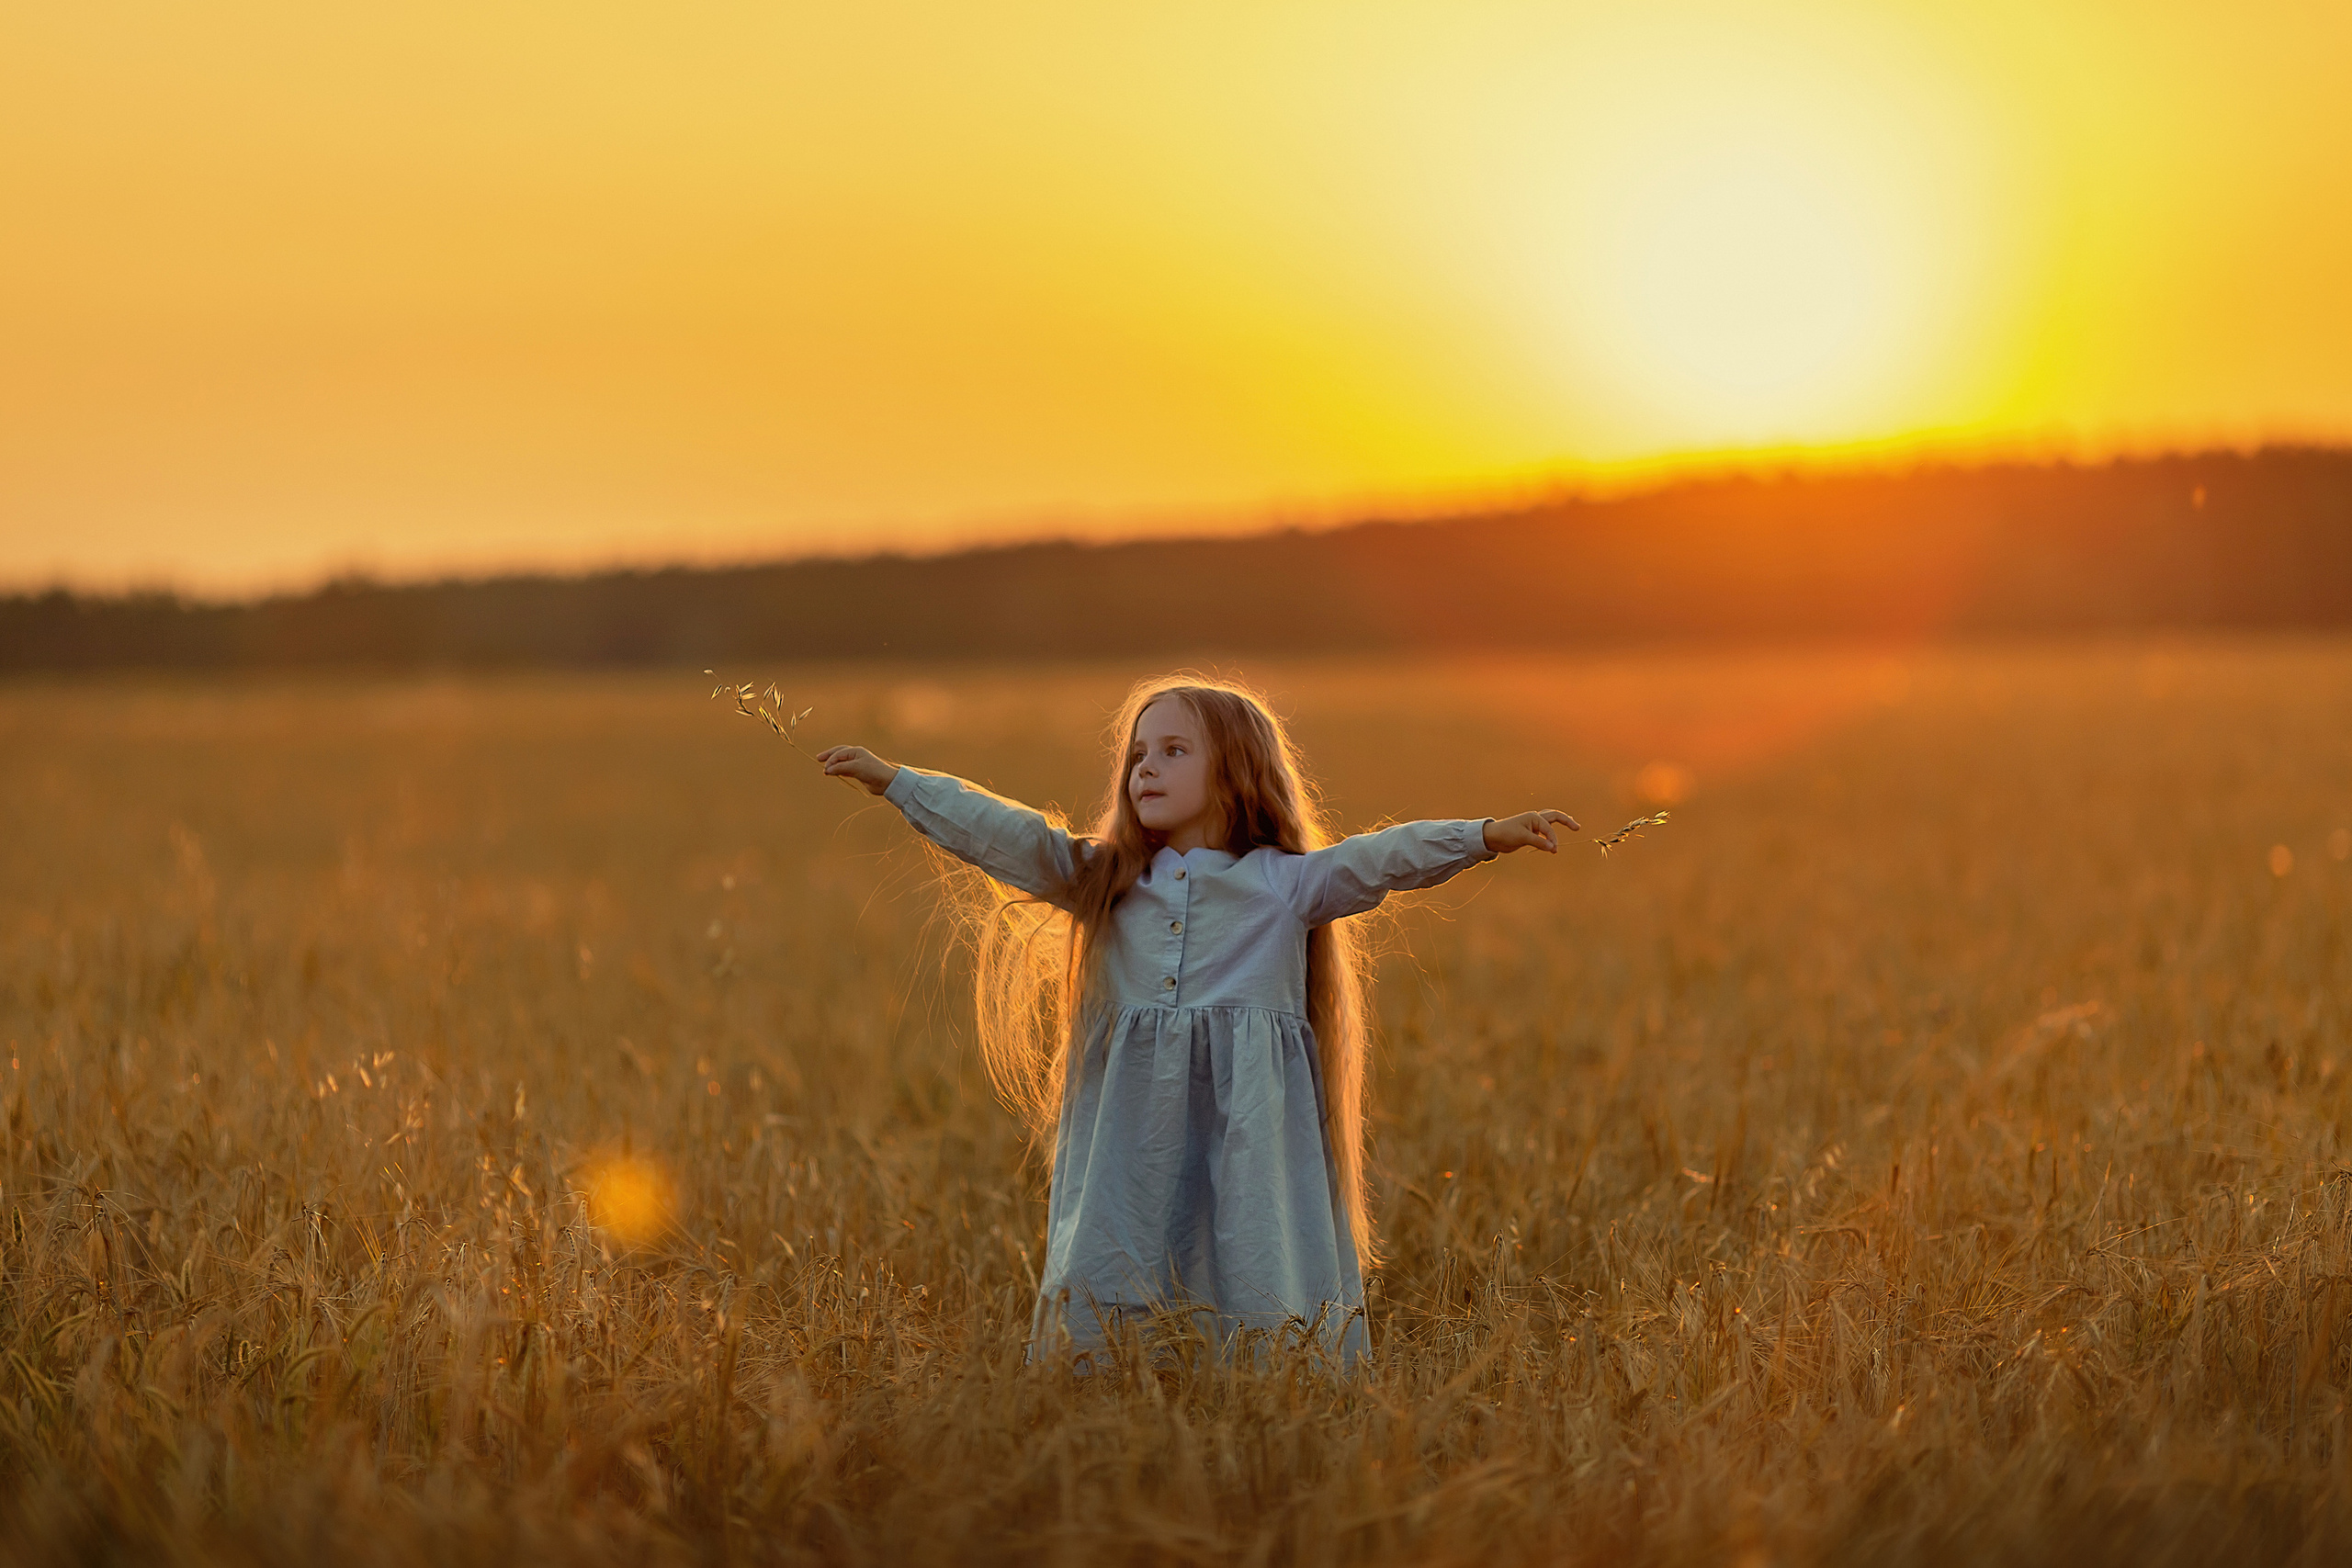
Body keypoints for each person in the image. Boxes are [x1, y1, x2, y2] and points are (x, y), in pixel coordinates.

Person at [815, 676, 1577, 1364]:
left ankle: (1268, 1381)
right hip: (1129, 1127)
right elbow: (1005, 834)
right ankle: (1105, 1378)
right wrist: (898, 783)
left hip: (1248, 1121)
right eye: (1138, 752)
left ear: (1235, 770)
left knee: (1252, 1241)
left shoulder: (1285, 885)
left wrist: (1484, 834)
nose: (1145, 766)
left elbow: (1381, 858)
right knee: (1118, 1236)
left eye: (1174, 749)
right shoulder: (1104, 878)